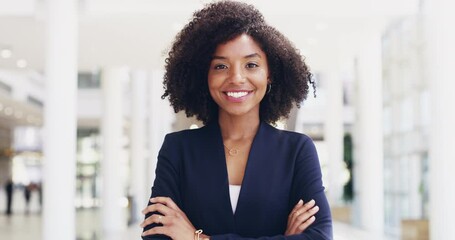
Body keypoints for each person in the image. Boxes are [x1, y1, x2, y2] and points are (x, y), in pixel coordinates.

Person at [141, 1, 333, 239]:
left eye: (251, 65)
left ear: (269, 73)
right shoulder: (178, 148)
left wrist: (197, 237)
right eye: (220, 66)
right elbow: (156, 234)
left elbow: (319, 236)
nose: (237, 78)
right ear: (205, 75)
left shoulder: (296, 150)